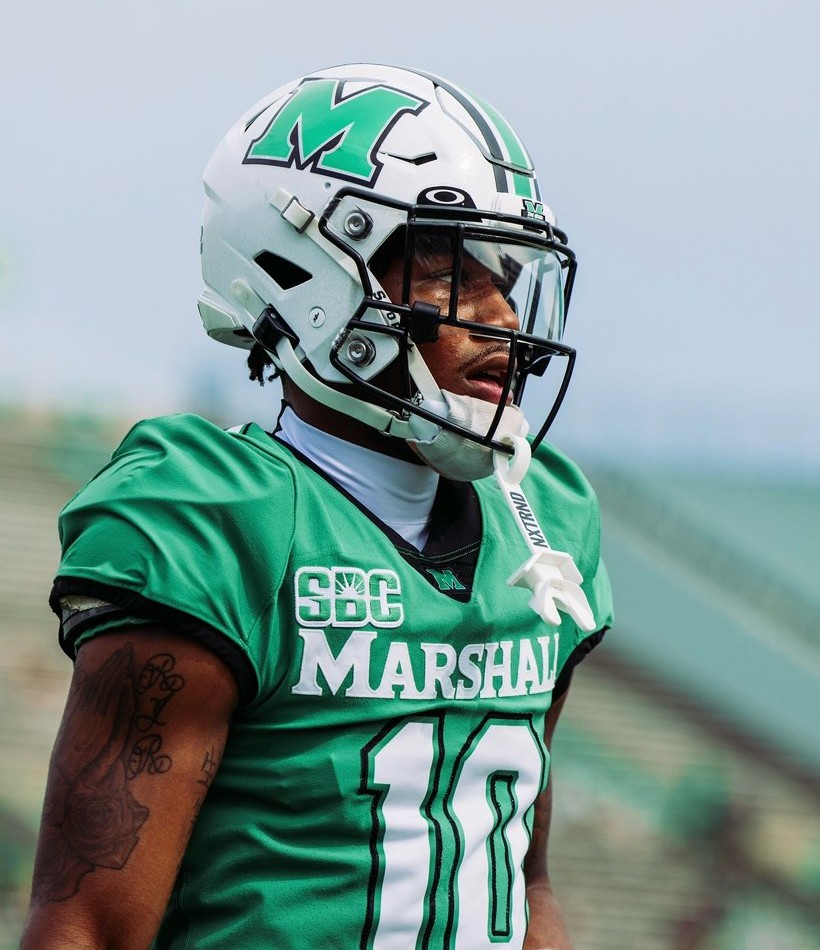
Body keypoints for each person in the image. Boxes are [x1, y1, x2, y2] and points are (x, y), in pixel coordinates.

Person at [21, 63, 613, 949]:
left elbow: (522, 878)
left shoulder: (546, 521)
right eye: (448, 269)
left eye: (505, 274)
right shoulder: (222, 518)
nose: (499, 315)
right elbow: (91, 928)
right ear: (305, 275)